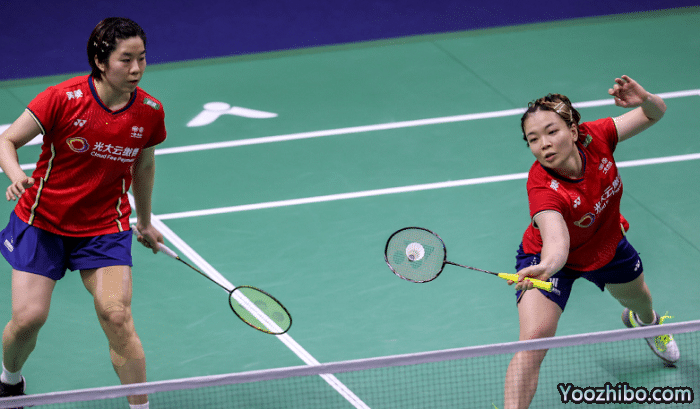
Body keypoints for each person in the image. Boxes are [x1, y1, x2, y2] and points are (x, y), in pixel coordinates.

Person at [0, 17, 165, 409]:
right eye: (126, 59)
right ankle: (9, 380)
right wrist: (17, 175)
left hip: (103, 228)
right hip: (43, 223)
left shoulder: (149, 111)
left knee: (116, 315)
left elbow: (143, 166)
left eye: (142, 58)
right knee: (28, 320)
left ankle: (140, 407)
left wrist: (144, 221)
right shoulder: (62, 97)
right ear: (100, 61)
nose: (137, 69)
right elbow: (7, 140)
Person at [503, 76, 679, 409]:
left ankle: (647, 323)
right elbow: (557, 241)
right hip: (546, 262)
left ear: (573, 131)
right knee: (532, 342)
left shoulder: (596, 136)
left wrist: (645, 98)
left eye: (551, 132)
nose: (544, 144)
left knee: (640, 302)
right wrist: (547, 266)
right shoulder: (542, 187)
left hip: (606, 245)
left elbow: (655, 113)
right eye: (533, 139)